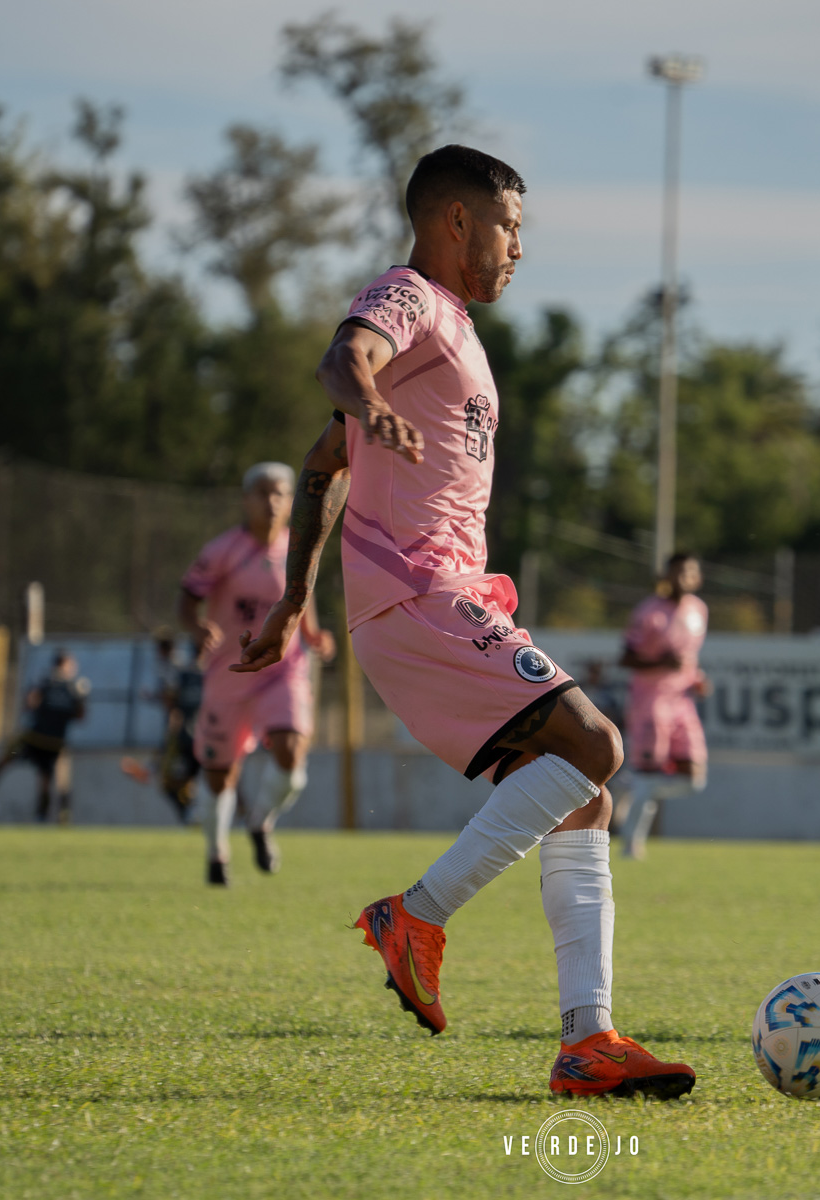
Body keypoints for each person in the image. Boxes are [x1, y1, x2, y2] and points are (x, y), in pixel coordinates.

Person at [232, 145, 694, 1099]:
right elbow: (343, 356)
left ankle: (587, 1040)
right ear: (455, 220)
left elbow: (323, 467)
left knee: (583, 795)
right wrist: (359, 391)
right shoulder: (409, 298)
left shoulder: (456, 334)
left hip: (437, 602)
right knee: (598, 744)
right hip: (419, 596)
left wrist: (291, 599)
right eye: (509, 227)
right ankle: (417, 915)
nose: (518, 248)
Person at [179, 463, 336, 885]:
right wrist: (196, 627)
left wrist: (314, 634)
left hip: (282, 671)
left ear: (291, 502)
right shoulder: (222, 550)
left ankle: (259, 822)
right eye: (262, 493)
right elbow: (187, 597)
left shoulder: (299, 548)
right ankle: (216, 855)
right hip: (227, 675)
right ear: (245, 500)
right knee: (219, 775)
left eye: (280, 493)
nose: (271, 502)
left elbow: (301, 597)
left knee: (290, 755)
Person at [616, 553, 710, 860]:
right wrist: (660, 662)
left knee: (693, 778)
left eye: (689, 572)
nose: (684, 578)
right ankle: (631, 846)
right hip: (650, 701)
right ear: (666, 575)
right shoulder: (649, 611)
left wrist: (695, 679)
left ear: (697, 577)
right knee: (649, 771)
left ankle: (633, 788)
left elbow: (687, 657)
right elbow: (626, 658)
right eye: (677, 572)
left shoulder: (698, 610)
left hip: (682, 701)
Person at [0, 649, 90, 824]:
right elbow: (29, 703)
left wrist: (82, 698)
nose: (70, 669)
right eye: (68, 665)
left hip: (54, 744)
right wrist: (38, 691)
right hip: (33, 738)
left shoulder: (74, 690)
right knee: (5, 759)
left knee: (49, 781)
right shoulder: (45, 682)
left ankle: (45, 818)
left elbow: (81, 717)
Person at [121, 628, 203, 824]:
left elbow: (172, 701)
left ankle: (192, 814)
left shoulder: (176, 671)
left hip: (185, 734)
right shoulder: (190, 670)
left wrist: (155, 699)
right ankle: (193, 814)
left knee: (171, 780)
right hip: (200, 732)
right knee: (181, 778)